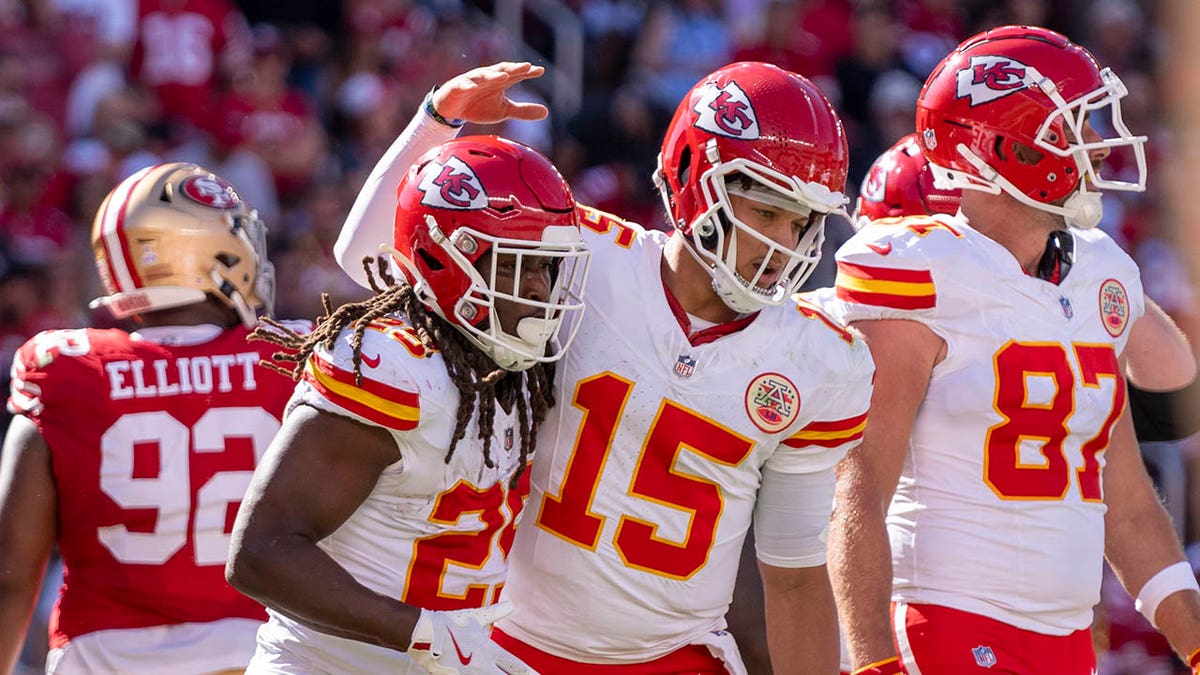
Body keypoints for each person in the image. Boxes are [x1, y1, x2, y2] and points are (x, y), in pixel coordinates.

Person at [334, 61, 875, 673]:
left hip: (677, 657)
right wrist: (436, 121)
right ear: (695, 177)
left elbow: (796, 572)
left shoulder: (824, 359)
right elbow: (367, 256)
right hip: (500, 646)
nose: (788, 243)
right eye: (767, 211)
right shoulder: (578, 256)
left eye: (804, 220)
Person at [821, 26, 1200, 675]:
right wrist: (872, 664)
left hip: (1069, 638)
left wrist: (1194, 640)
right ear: (1004, 148)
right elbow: (860, 494)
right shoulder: (922, 269)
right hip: (947, 623)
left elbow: (1129, 503)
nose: (1093, 149)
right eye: (1070, 130)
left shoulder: (1098, 270)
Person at [224, 135, 591, 673]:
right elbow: (262, 553)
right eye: (519, 266)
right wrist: (430, 635)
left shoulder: (510, 370)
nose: (540, 290)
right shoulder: (391, 366)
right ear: (447, 261)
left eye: (548, 267)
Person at [0, 162, 297, 674]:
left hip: (105, 659)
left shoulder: (66, 369)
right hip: (263, 652)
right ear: (209, 252)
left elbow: (11, 573)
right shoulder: (295, 358)